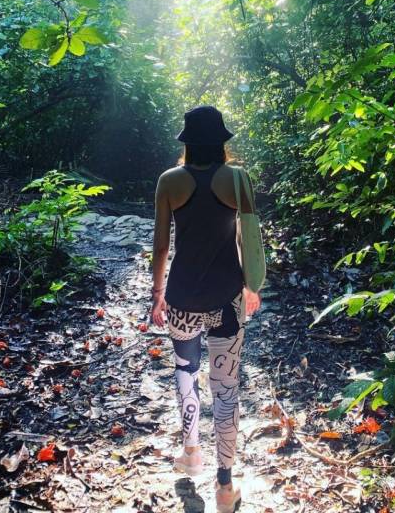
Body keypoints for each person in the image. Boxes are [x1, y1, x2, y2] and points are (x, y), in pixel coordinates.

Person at [151, 105, 261, 513]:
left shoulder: (169, 181)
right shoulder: (237, 179)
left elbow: (162, 246)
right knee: (226, 389)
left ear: (187, 143)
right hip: (227, 299)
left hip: (181, 299)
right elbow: (251, 239)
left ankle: (191, 451)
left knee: (185, 374)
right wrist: (253, 284)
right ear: (221, 143)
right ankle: (224, 485)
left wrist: (156, 293)